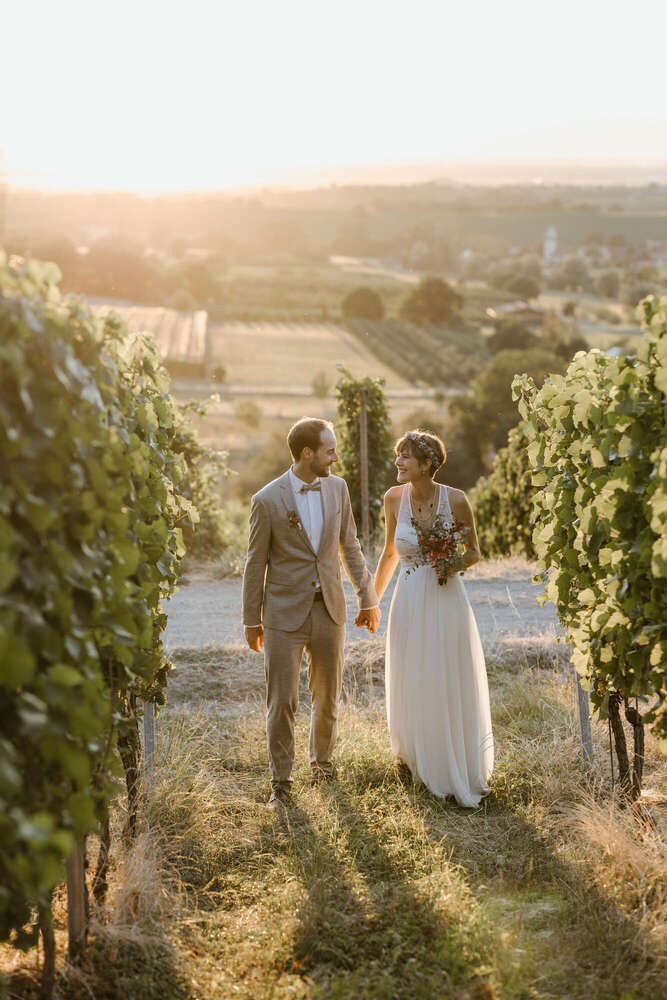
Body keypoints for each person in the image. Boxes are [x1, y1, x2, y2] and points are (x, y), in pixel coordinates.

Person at [242, 417, 380, 809]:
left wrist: (366, 597)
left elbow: (349, 546)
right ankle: (281, 784)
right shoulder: (267, 500)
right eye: (329, 450)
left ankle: (322, 768)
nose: (336, 457)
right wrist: (252, 620)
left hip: (329, 610)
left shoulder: (337, 489)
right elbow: (256, 565)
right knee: (282, 700)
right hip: (283, 614)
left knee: (328, 696)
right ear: (307, 454)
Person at [371, 429, 493, 807]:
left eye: (405, 457)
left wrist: (447, 563)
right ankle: (413, 758)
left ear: (427, 464)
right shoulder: (393, 499)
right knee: (412, 673)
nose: (398, 462)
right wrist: (370, 600)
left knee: (443, 673)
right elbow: (390, 554)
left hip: (445, 595)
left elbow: (473, 552)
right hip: (407, 596)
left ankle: (449, 761)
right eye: (398, 455)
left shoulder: (456, 500)